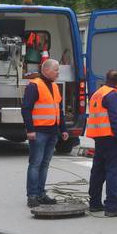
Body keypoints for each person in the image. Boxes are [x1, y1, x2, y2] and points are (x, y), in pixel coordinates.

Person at [21, 59, 69, 208]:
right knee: (35, 163)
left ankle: (41, 194)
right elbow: (26, 109)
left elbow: (58, 110)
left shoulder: (55, 87)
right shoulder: (35, 85)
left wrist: (63, 129)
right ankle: (33, 196)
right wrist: (30, 130)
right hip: (39, 132)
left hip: (52, 131)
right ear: (46, 70)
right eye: (56, 70)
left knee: (45, 164)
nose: (58, 73)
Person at [86, 70, 117, 217]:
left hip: (99, 138)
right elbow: (115, 120)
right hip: (112, 139)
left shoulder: (98, 93)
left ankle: (95, 203)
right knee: (112, 172)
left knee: (98, 172)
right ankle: (112, 207)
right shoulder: (113, 95)